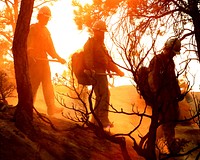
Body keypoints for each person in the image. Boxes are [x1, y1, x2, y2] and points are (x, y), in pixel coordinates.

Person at [83, 20, 124, 128]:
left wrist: (118, 71)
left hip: (102, 72)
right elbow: (88, 58)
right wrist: (91, 70)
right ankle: (103, 120)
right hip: (97, 73)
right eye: (102, 32)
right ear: (96, 31)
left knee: (100, 96)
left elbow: (108, 61)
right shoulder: (90, 43)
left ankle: (94, 121)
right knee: (105, 95)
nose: (103, 34)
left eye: (104, 32)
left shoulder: (101, 45)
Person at [27, 6, 66, 116]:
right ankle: (28, 106)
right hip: (35, 61)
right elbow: (29, 43)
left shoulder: (46, 31)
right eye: (46, 17)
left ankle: (51, 108)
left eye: (48, 18)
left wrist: (59, 58)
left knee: (48, 84)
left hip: (44, 61)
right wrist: (30, 54)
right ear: (40, 16)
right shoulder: (33, 28)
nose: (47, 20)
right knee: (33, 85)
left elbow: (50, 48)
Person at [148, 37, 184, 154]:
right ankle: (171, 147)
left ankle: (156, 143)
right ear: (168, 49)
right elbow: (152, 79)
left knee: (172, 118)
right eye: (173, 52)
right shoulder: (158, 60)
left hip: (170, 97)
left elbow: (173, 80)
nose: (174, 55)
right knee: (167, 120)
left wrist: (178, 93)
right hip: (162, 97)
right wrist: (157, 95)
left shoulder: (170, 62)